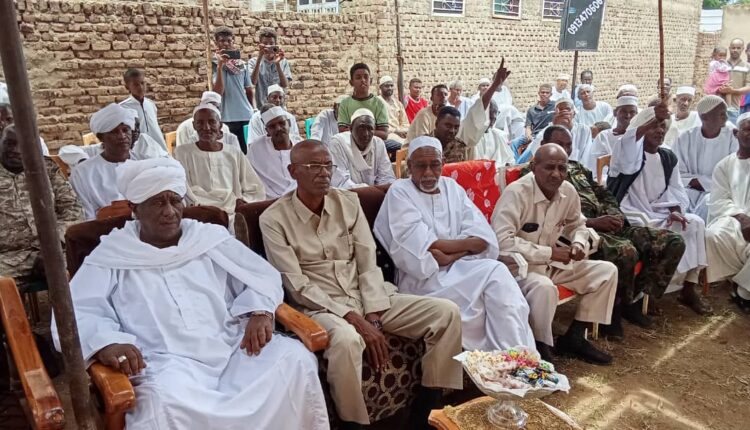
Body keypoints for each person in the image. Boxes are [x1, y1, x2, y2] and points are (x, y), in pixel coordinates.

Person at [54, 157, 328, 429]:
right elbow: (76, 314)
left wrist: (260, 311)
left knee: (295, 359)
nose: (170, 211)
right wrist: (108, 343)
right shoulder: (112, 254)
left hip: (233, 346)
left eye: (175, 201)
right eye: (158, 202)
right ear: (134, 208)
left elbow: (261, 276)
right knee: (161, 405)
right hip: (165, 363)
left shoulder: (208, 238)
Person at [260, 140, 463, 429]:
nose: (324, 173)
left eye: (327, 165)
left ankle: (426, 413)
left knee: (446, 313)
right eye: (314, 166)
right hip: (320, 307)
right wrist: (354, 319)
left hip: (367, 295)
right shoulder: (273, 219)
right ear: (293, 171)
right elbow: (296, 285)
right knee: (346, 340)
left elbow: (368, 262)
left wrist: (373, 312)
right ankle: (353, 424)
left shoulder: (348, 202)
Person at [374, 136, 536, 354]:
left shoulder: (451, 187)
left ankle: (516, 357)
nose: (429, 173)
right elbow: (420, 250)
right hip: (422, 282)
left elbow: (482, 240)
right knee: (493, 279)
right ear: (409, 166)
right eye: (421, 166)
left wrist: (450, 255)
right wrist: (463, 246)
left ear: (443, 164)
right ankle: (511, 357)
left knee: (499, 279)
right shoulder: (400, 191)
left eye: (435, 165)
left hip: (461, 268)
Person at [522, 126, 684, 337]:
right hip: (582, 232)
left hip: (608, 224)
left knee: (673, 241)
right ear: (543, 145)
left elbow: (604, 193)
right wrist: (593, 222)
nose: (565, 149)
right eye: (559, 144)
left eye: (568, 145)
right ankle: (614, 311)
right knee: (626, 251)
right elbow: (548, 216)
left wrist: (614, 215)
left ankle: (633, 301)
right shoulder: (537, 173)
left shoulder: (577, 168)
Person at [492, 143, 617, 364]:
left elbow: (578, 225)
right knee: (545, 288)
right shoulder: (516, 193)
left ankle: (575, 338)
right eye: (549, 167)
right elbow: (501, 241)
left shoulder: (568, 191)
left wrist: (578, 244)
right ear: (534, 167)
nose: (556, 174)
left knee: (606, 272)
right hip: (519, 269)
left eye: (562, 168)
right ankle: (541, 346)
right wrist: (550, 253)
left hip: (553, 265)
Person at [607, 105, 710, 315]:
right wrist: (651, 121)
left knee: (695, 224)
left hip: (661, 211)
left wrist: (675, 210)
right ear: (643, 127)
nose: (660, 130)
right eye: (654, 126)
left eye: (663, 126)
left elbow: (676, 189)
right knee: (659, 234)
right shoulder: (628, 153)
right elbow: (627, 143)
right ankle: (645, 294)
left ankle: (688, 288)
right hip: (631, 214)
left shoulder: (667, 157)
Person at [0, 125, 83, 280]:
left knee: (90, 268)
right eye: (9, 143)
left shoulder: (47, 168)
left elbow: (73, 209)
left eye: (23, 144)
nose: (16, 150)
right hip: (7, 258)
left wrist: (53, 245)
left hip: (56, 250)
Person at [173, 103, 265, 219]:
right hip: (199, 212)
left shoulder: (234, 153)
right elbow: (182, 189)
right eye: (200, 122)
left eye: (212, 122)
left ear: (220, 125)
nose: (206, 127)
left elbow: (255, 187)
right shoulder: (181, 153)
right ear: (194, 126)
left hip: (233, 213)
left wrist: (243, 201)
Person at [70, 103, 156, 219]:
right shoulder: (82, 173)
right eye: (114, 132)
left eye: (125, 130)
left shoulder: (146, 163)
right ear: (101, 138)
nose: (122, 136)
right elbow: (86, 217)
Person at [422, 61, 511, 163]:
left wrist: (494, 86)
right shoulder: (423, 144)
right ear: (437, 123)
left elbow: (477, 111)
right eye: (448, 125)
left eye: (456, 127)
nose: (452, 131)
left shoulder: (460, 142)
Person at [705, 112, 750, 313]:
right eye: (747, 129)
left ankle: (743, 291)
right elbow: (718, 200)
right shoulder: (724, 165)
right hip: (734, 217)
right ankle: (742, 282)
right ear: (736, 133)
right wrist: (742, 218)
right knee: (712, 235)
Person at [672, 95, 738, 221]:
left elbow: (734, 172)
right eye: (721, 114)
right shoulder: (685, 138)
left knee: (710, 202)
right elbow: (676, 172)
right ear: (704, 117)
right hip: (689, 191)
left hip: (720, 193)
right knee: (677, 204)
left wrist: (701, 182)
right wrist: (695, 182)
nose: (726, 117)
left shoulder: (732, 136)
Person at [328, 109, 395, 188]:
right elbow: (340, 182)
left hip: (376, 193)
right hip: (347, 194)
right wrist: (374, 191)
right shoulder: (338, 143)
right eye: (361, 128)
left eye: (370, 128)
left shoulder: (378, 143)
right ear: (351, 128)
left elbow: (387, 177)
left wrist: (379, 190)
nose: (366, 134)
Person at [212, 26, 254, 154]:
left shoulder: (241, 65)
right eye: (222, 40)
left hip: (245, 115)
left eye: (229, 41)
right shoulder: (212, 64)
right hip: (226, 117)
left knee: (247, 153)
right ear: (216, 43)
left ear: (233, 42)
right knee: (229, 153)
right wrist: (220, 66)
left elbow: (249, 90)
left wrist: (252, 109)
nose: (226, 43)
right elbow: (218, 93)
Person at [518, 97, 593, 168]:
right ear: (555, 113)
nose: (564, 112)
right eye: (560, 109)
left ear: (574, 113)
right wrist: (556, 125)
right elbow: (536, 150)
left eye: (568, 109)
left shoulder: (584, 130)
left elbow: (587, 158)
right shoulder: (547, 130)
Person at [247, 106, 297, 198]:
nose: (278, 128)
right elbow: (249, 177)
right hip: (268, 200)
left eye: (282, 123)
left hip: (298, 197)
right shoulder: (256, 148)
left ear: (289, 123)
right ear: (267, 131)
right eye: (272, 126)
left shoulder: (301, 146)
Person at [587, 96, 639, 181]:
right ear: (615, 113)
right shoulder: (603, 136)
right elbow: (596, 167)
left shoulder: (640, 137)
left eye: (632, 112)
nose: (628, 116)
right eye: (623, 111)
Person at [337, 64, 390, 143]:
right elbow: (342, 132)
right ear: (351, 82)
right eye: (358, 77)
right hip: (350, 144)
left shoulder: (379, 103)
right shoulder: (345, 104)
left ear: (370, 81)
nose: (363, 80)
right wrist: (371, 130)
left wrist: (356, 131)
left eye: (366, 77)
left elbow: (384, 134)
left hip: (374, 143)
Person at [119, 68, 167, 151]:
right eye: (136, 85)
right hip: (138, 152)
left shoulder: (151, 104)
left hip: (159, 149)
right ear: (127, 87)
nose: (140, 87)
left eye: (142, 83)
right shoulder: (123, 108)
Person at [175, 91, 240, 149]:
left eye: (216, 107)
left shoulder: (225, 128)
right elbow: (182, 153)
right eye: (209, 105)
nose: (207, 128)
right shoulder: (184, 127)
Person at [509, 84, 555, 161]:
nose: (544, 94)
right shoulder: (532, 110)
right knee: (513, 143)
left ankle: (518, 164)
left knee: (530, 150)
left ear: (551, 94)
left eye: (547, 93)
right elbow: (528, 127)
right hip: (533, 135)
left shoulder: (555, 106)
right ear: (539, 93)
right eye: (542, 92)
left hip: (545, 135)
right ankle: (514, 161)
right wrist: (528, 135)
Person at [248, 27, 292, 109]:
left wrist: (277, 64)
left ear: (275, 44)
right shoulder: (253, 62)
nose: (268, 46)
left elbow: (285, 84)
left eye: (271, 43)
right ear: (260, 45)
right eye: (265, 43)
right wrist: (259, 58)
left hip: (279, 107)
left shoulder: (283, 61)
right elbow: (253, 82)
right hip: (262, 107)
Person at [474, 100, 515, 166]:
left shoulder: (496, 135)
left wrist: (508, 164)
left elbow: (509, 159)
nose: (494, 117)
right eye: (491, 113)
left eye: (496, 113)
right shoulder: (471, 136)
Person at [719, 39, 750, 125]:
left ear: (742, 49)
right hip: (719, 107)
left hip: (736, 108)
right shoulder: (721, 65)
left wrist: (732, 91)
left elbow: (748, 87)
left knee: (734, 131)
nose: (735, 50)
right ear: (729, 48)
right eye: (733, 48)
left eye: (738, 48)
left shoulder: (747, 67)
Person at [378, 75, 410, 149]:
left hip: (400, 133)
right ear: (380, 87)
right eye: (386, 86)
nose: (390, 88)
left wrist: (403, 131)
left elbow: (405, 122)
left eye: (391, 86)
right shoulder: (377, 102)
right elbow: (379, 127)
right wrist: (396, 131)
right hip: (388, 134)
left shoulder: (398, 103)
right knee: (404, 145)